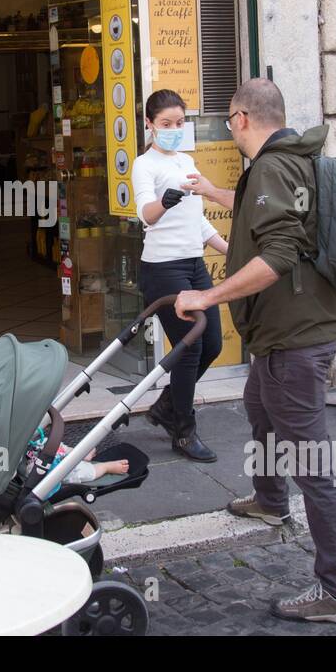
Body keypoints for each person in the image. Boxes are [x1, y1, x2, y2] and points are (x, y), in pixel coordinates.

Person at [176, 77, 336, 624]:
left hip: (294, 339)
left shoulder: (274, 165)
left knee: (314, 466)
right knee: (259, 411)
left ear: (239, 119)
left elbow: (279, 250)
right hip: (282, 335)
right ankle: (269, 499)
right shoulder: (291, 159)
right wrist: (212, 193)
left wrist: (208, 295)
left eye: (229, 121)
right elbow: (266, 215)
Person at [131, 89, 226, 462]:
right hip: (163, 268)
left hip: (194, 264)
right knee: (189, 351)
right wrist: (166, 199)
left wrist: (231, 251)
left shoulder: (187, 160)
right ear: (150, 125)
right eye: (165, 124)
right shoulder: (145, 164)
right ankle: (184, 433)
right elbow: (145, 214)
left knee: (213, 344)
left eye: (179, 123)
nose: (173, 129)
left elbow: (198, 221)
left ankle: (167, 406)